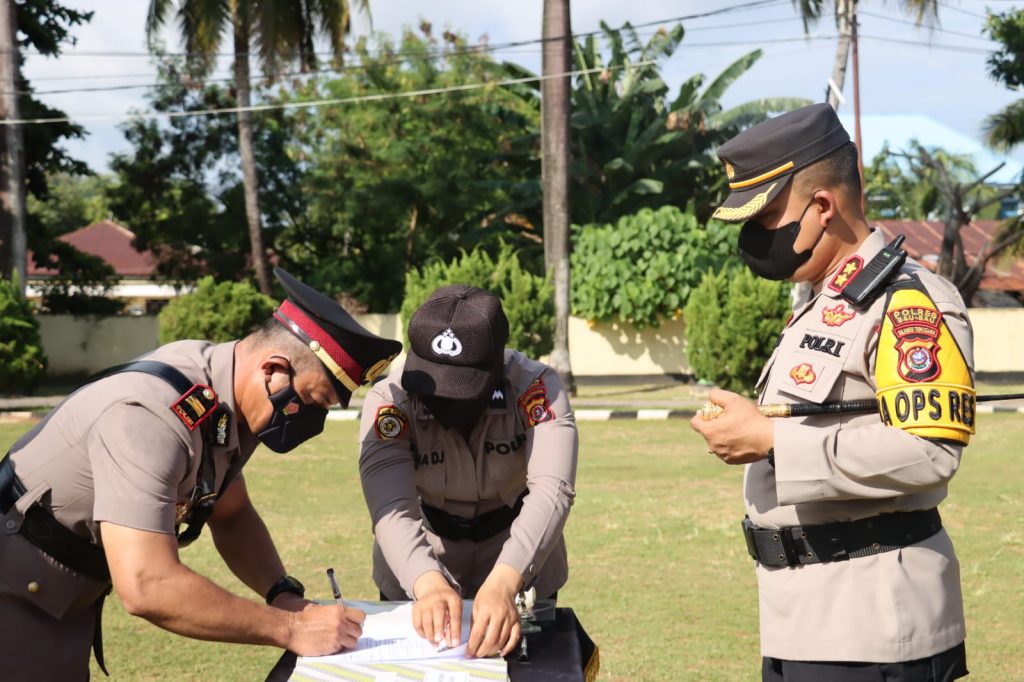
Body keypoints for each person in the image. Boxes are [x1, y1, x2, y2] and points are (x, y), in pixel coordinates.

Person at [0, 267, 402, 681]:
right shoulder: (151, 419)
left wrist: (282, 594)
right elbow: (147, 584)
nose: (313, 421)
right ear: (275, 369)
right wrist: (291, 629)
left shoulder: (225, 398)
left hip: (61, 592)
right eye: (314, 400)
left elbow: (230, 511)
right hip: (15, 589)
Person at [690, 103, 974, 681]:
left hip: (874, 627)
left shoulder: (907, 302)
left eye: (766, 218)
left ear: (823, 207)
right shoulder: (826, 302)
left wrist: (772, 440)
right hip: (805, 617)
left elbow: (930, 451)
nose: (754, 239)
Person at [358, 285, 579, 659]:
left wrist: (507, 579)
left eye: (458, 388)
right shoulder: (391, 399)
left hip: (517, 549)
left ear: (497, 367)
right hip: (423, 548)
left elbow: (552, 489)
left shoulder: (536, 387)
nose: (441, 398)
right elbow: (390, 505)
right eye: (431, 381)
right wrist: (425, 581)